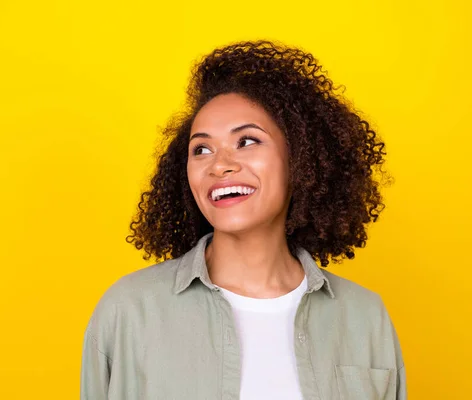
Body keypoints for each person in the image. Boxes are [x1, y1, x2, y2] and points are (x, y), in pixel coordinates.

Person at [81, 41, 405, 400]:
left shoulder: (365, 317)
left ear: (300, 159)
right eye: (201, 149)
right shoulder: (128, 311)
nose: (219, 164)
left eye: (247, 141)